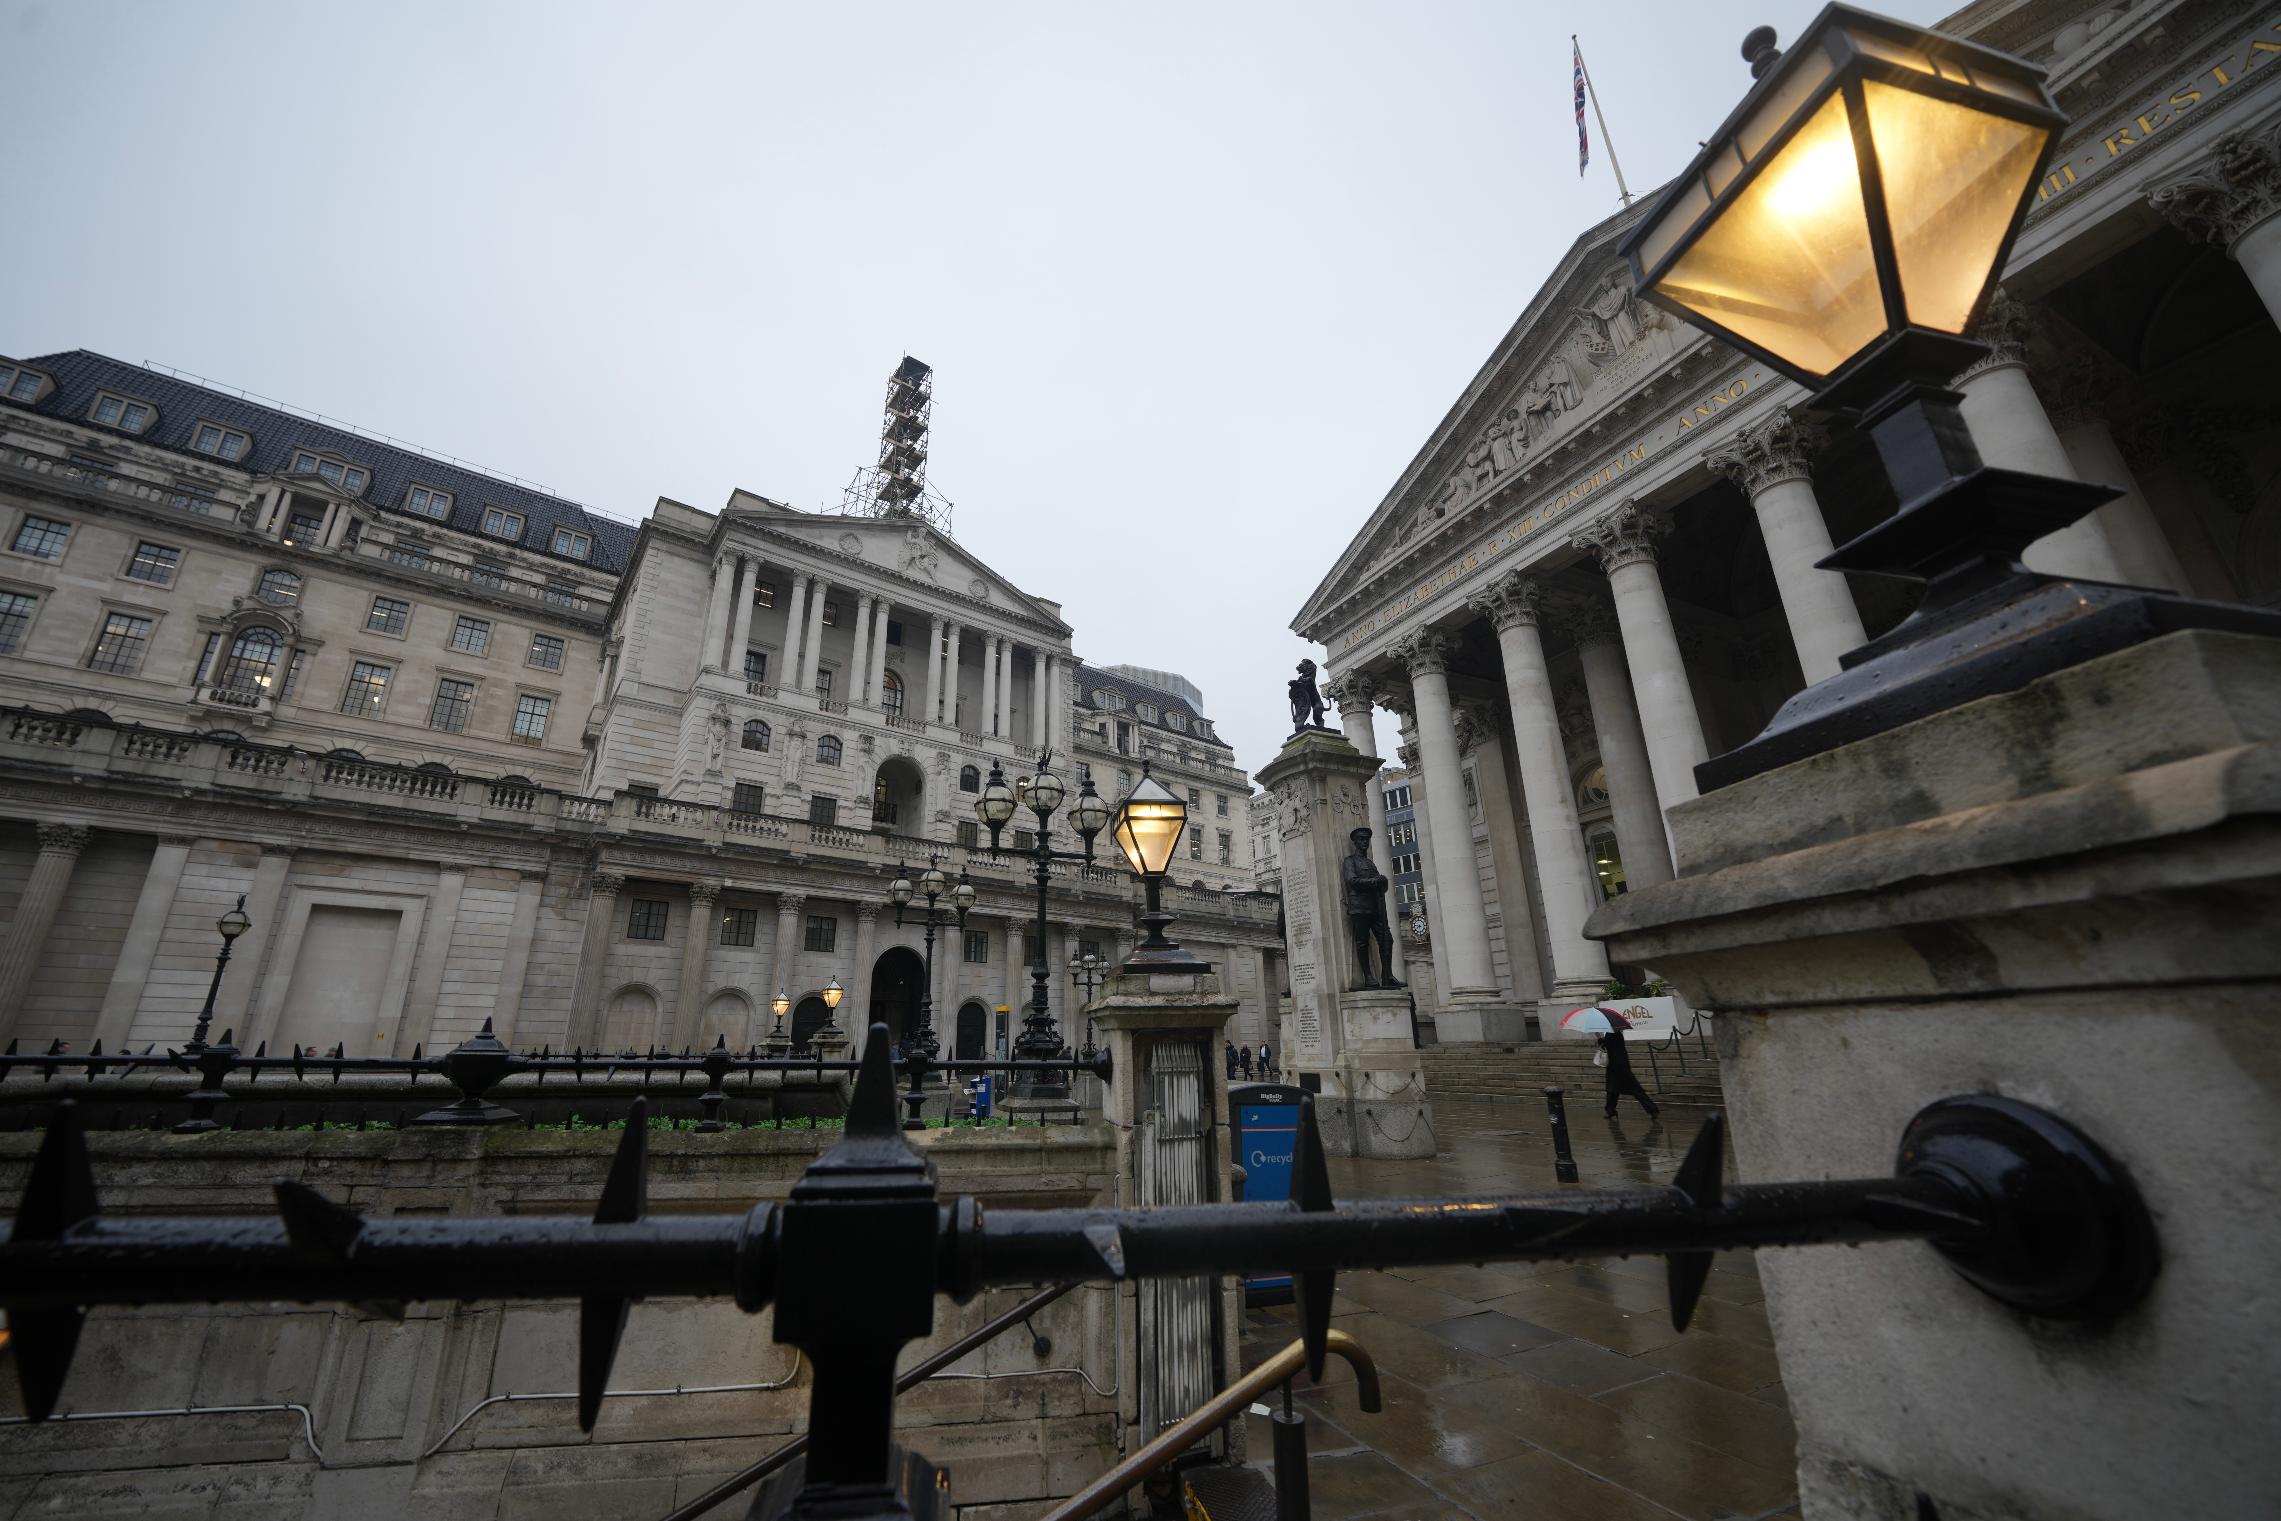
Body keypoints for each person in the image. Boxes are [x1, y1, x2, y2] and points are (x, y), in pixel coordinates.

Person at [1598, 1028, 1659, 1120]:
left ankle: (1652, 1109)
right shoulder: (1617, 1033)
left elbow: (1606, 1047)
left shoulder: (1611, 1034)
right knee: (1613, 1090)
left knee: (1632, 1089)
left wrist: (1600, 1039)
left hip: (1617, 1066)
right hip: (1620, 1065)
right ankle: (1611, 1110)